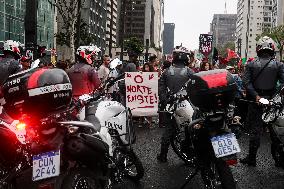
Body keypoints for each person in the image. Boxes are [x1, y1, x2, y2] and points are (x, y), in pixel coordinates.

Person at [241, 36, 284, 167]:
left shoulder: (250, 64)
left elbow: (246, 83)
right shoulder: (278, 64)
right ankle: (280, 159)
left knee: (256, 130)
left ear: (258, 48)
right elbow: (283, 83)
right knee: (275, 130)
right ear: (272, 49)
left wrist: (256, 97)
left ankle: (252, 158)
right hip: (273, 102)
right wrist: (274, 97)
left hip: (257, 101)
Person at [157, 45, 195, 163]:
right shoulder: (190, 72)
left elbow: (161, 90)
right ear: (186, 59)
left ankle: (163, 155)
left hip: (171, 105)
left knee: (168, 130)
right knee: (191, 128)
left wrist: (165, 102)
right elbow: (195, 89)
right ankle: (190, 152)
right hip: (188, 104)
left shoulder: (166, 72)